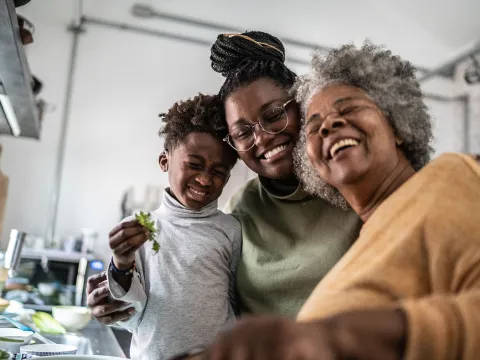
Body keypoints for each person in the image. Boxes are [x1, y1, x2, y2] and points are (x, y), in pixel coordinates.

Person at [202, 42, 480, 360]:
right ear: (314, 166)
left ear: (397, 124)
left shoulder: (450, 180)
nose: (329, 125)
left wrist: (337, 337)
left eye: (347, 110)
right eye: (315, 127)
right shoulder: (358, 251)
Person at [86, 31, 362, 323]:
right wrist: (120, 294)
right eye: (243, 132)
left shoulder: (356, 190)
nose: (263, 138)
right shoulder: (241, 211)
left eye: (273, 115)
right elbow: (191, 297)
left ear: (302, 107)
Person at [106, 93, 242, 360]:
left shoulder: (232, 231)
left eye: (218, 172)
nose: (204, 180)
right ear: (164, 161)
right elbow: (128, 316)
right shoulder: (137, 231)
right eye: (194, 165)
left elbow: (239, 305)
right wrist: (121, 262)